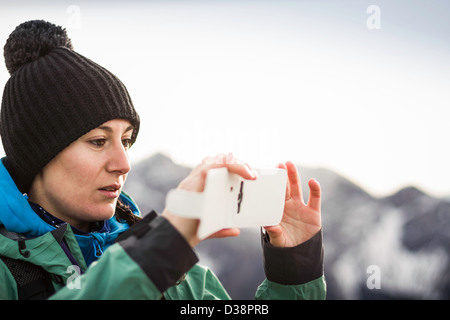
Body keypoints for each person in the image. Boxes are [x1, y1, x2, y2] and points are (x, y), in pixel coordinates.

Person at [0, 20, 326, 300]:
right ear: (36, 157)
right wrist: (160, 249)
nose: (123, 163)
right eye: (98, 141)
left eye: (126, 141)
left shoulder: (180, 278)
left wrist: (293, 271)